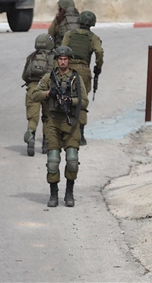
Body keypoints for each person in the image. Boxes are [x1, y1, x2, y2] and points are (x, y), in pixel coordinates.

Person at [31, 46, 88, 208]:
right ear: (56, 60)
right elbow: (35, 95)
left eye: (65, 59)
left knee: (72, 159)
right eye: (60, 59)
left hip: (70, 123)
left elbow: (84, 101)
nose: (63, 62)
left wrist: (71, 101)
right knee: (53, 161)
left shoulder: (76, 79)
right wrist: (49, 93)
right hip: (53, 122)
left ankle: (69, 193)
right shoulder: (49, 77)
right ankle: (53, 193)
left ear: (69, 60)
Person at [61, 10, 104, 146]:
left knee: (64, 98)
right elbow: (99, 52)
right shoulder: (93, 38)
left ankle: (64, 132)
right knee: (81, 101)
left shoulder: (69, 34)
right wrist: (98, 67)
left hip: (68, 70)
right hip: (84, 70)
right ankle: (81, 134)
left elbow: (62, 51)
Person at [21, 33, 55, 156]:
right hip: (48, 90)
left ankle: (30, 137)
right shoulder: (54, 57)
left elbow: (24, 76)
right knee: (47, 117)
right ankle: (46, 144)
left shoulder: (31, 57)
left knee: (32, 118)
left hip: (33, 89)